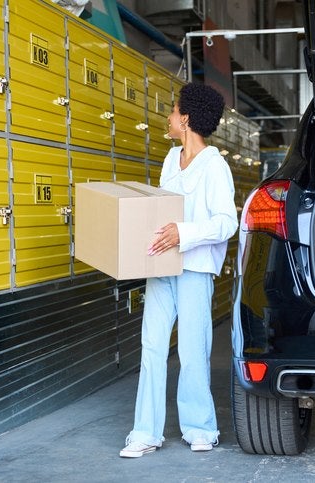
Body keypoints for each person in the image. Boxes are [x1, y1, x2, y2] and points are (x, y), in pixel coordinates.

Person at [119, 82, 238, 458]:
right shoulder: (172, 160)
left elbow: (226, 223)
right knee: (152, 345)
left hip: (194, 268)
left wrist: (181, 233)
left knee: (191, 349)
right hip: (163, 265)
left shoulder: (215, 166)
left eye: (172, 111)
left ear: (185, 119)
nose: (168, 117)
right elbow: (160, 209)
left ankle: (200, 428)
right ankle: (145, 432)